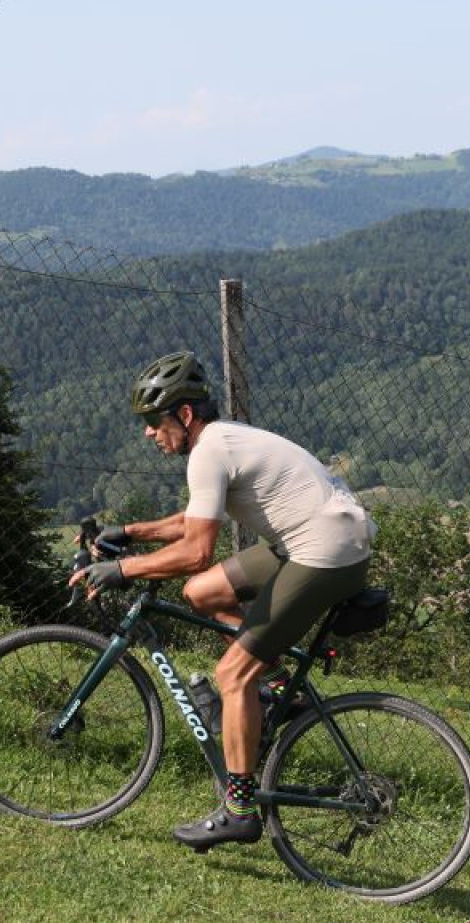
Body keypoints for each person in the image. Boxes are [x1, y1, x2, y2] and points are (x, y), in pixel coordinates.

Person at [69, 351, 375, 851]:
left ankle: (238, 808)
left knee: (232, 674)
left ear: (184, 416)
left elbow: (195, 550)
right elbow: (192, 523)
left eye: (153, 421)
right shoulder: (216, 442)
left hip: (325, 552)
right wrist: (126, 532)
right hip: (321, 539)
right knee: (202, 592)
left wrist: (120, 569)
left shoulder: (211, 449)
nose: (148, 432)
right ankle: (282, 689)